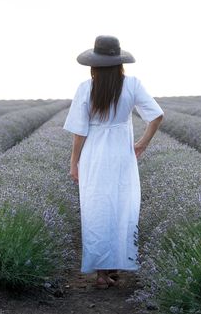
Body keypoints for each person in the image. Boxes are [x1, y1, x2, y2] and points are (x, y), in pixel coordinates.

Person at [63, 35, 164, 289]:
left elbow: (80, 132)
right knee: (122, 208)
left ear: (93, 64)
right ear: (119, 62)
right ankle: (115, 267)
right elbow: (157, 116)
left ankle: (100, 273)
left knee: (96, 211)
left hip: (94, 157)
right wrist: (142, 143)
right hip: (121, 156)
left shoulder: (86, 88)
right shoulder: (132, 84)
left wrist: (74, 162)